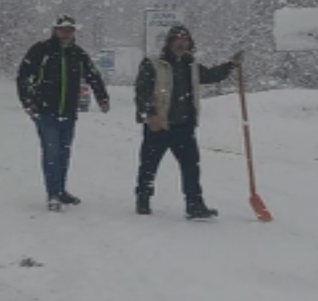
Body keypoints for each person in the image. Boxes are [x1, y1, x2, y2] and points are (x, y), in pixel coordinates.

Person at [133, 25, 243, 219]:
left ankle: (194, 205)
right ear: (169, 42)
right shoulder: (153, 63)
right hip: (159, 124)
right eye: (177, 39)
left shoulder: (190, 65)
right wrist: (150, 114)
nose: (181, 44)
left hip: (184, 125)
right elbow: (142, 91)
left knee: (191, 166)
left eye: (185, 40)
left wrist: (230, 66)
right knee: (149, 164)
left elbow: (210, 76)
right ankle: (143, 200)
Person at [17, 15, 110, 211]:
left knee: (64, 153)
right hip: (45, 111)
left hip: (68, 111)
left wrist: (102, 97)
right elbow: (23, 75)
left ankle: (61, 190)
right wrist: (27, 100)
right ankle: (52, 194)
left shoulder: (77, 53)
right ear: (55, 30)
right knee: (51, 152)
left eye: (70, 30)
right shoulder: (41, 50)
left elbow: (93, 75)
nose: (66, 33)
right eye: (62, 29)